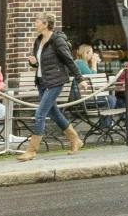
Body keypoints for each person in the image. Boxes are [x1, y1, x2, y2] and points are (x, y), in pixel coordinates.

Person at [22, 14, 83, 162]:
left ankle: (32, 150)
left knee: (40, 113)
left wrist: (80, 78)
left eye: (37, 21)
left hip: (55, 81)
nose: (35, 23)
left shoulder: (57, 40)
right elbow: (41, 64)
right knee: (54, 113)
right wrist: (34, 63)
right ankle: (75, 140)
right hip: (42, 81)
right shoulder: (38, 41)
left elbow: (68, 60)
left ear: (45, 24)